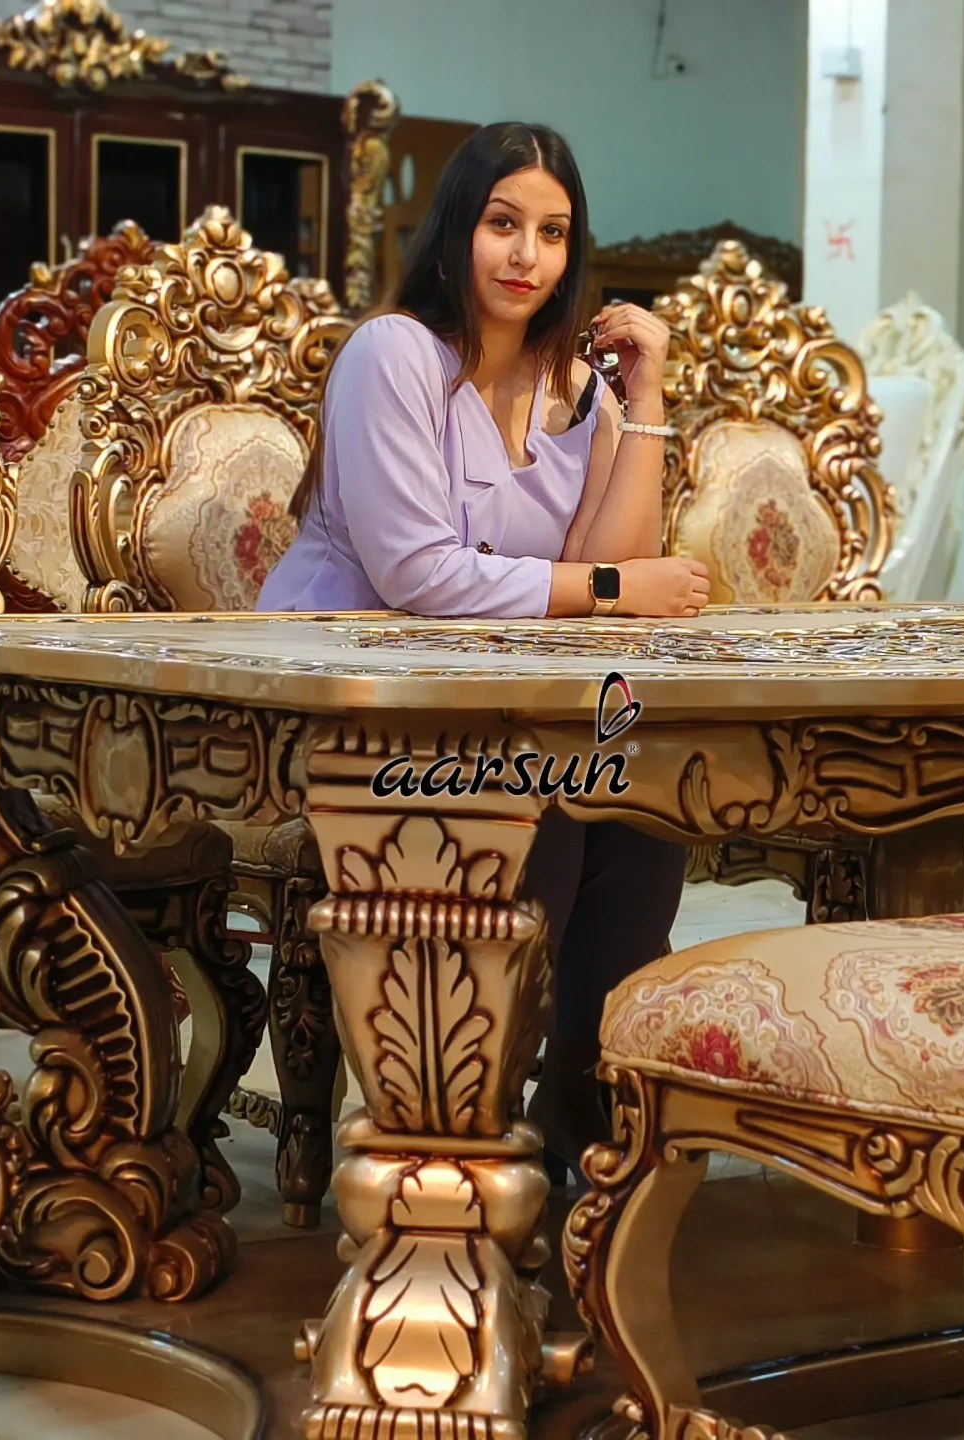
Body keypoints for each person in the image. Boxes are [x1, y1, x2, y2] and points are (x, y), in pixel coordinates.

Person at [259, 121, 706, 1174]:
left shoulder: (577, 386)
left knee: (646, 812)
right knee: (535, 807)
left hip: (487, 699)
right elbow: (422, 574)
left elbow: (617, 570)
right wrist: (611, 589)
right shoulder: (395, 355)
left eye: (552, 234)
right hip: (347, 697)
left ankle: (580, 1113)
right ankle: (463, 1130)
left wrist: (642, 405)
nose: (525, 257)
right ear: (459, 228)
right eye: (503, 224)